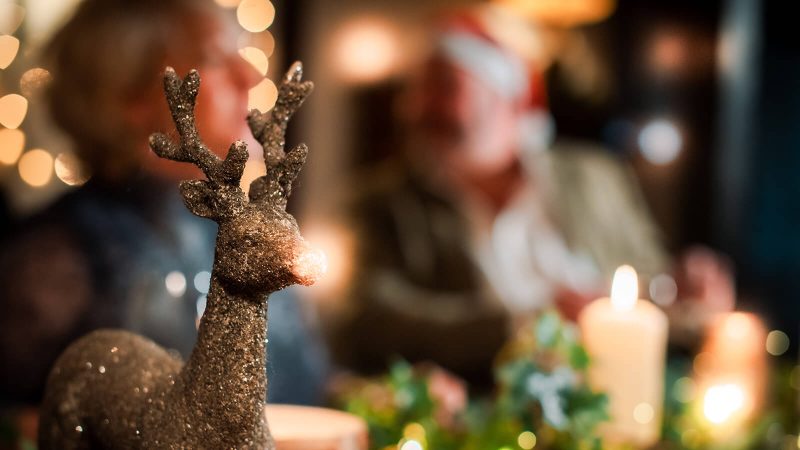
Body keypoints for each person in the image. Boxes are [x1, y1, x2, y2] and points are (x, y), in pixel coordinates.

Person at [332, 5, 734, 385]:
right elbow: (368, 320)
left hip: (613, 394)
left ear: (508, 100)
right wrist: (526, 323)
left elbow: (649, 276)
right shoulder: (380, 203)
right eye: (416, 90)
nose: (419, 107)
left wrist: (687, 292)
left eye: (444, 86)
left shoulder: (594, 176)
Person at [0, 0, 327, 417]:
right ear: (125, 95)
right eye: (214, 58)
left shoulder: (248, 232)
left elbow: (308, 388)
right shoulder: (55, 256)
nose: (251, 75)